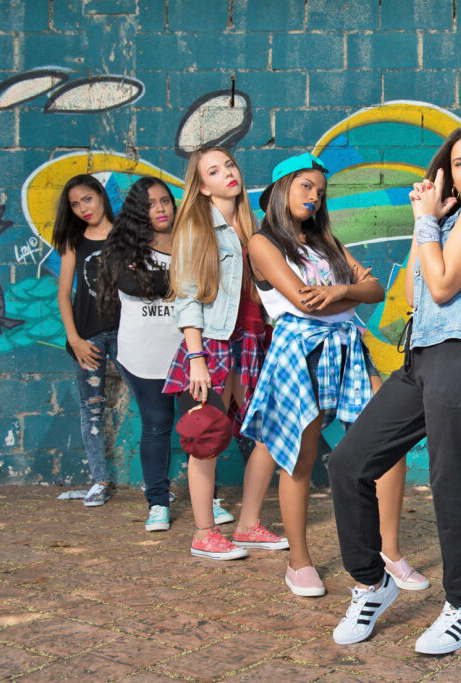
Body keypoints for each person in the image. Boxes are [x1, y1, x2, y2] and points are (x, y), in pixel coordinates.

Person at [327, 126, 461, 655]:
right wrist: (423, 221)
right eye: (458, 163)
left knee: (451, 478)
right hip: (424, 357)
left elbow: (445, 284)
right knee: (349, 463)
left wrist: (429, 221)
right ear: (444, 172)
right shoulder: (449, 216)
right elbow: (412, 289)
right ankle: (371, 581)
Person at [242, 153, 396, 596]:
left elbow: (375, 289)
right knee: (300, 457)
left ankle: (390, 551)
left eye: (319, 191)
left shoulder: (326, 243)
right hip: (300, 354)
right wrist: (349, 293)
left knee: (386, 440)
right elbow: (303, 301)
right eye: (305, 186)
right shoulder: (263, 243)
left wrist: (342, 290)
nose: (314, 197)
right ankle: (299, 561)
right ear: (280, 189)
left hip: (349, 349)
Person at [165, 147, 286, 560]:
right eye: (214, 171)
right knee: (207, 436)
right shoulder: (196, 230)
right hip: (213, 345)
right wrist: (196, 357)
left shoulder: (253, 230)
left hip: (251, 341)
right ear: (202, 187)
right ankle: (203, 533)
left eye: (230, 165)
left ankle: (248, 525)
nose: (227, 174)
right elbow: (187, 297)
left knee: (269, 432)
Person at [96, 177, 183, 531]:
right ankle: (158, 502)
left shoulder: (190, 241)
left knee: (199, 427)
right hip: (142, 353)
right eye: (150, 203)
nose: (160, 209)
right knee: (157, 426)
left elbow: (210, 280)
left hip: (187, 352)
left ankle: (208, 498)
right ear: (137, 210)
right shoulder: (123, 247)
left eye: (165, 201)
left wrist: (157, 278)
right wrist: (180, 279)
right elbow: (131, 285)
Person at [52, 174, 118, 507]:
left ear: (101, 196)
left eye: (87, 199)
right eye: (75, 204)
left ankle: (156, 484)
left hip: (127, 334)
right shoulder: (74, 240)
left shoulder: (125, 234)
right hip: (88, 336)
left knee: (152, 407)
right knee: (91, 410)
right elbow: (64, 295)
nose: (82, 209)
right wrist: (74, 339)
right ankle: (99, 481)